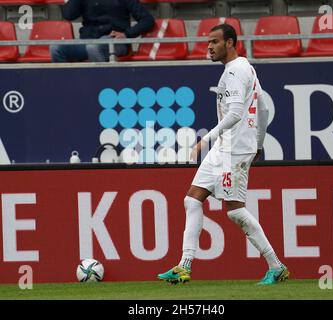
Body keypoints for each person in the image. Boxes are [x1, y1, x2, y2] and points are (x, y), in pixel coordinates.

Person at [157, 24, 290, 285]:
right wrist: (260, 143)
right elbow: (262, 109)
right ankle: (184, 265)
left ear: (230, 43)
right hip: (227, 147)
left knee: (234, 211)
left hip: (235, 148)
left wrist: (205, 139)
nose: (209, 47)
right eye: (208, 42)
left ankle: (276, 266)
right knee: (192, 200)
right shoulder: (244, 69)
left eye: (215, 42)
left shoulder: (237, 71)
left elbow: (236, 113)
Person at [50, 0, 155, 62]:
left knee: (94, 48)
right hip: (88, 40)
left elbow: (147, 20)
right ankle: (66, 86)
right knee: (56, 48)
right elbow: (68, 15)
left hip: (114, 41)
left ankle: (99, 85)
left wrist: (126, 34)